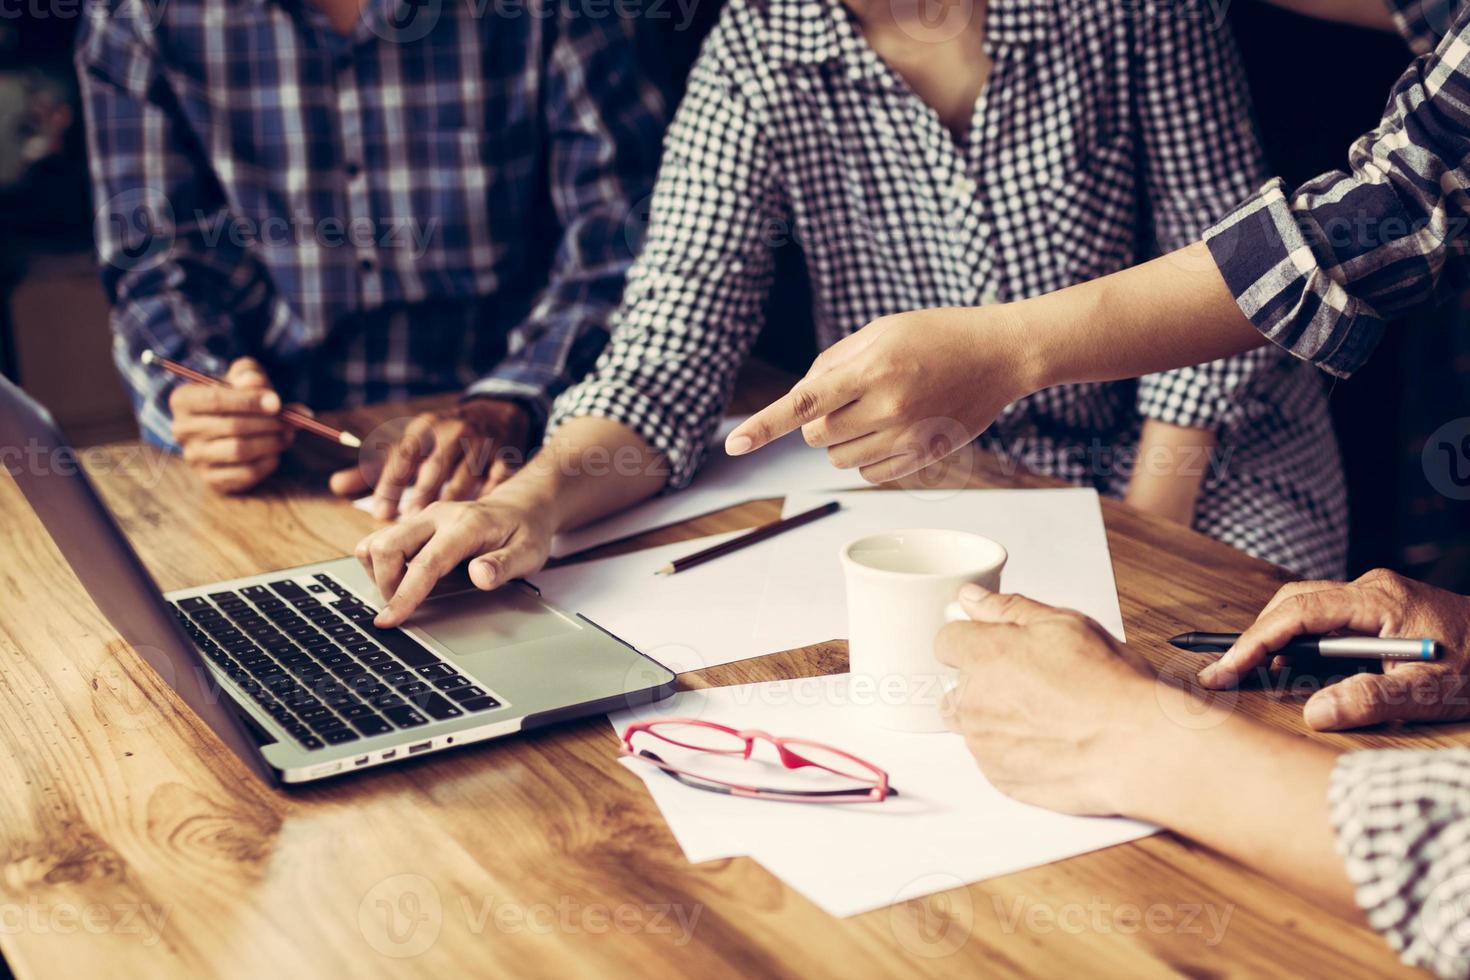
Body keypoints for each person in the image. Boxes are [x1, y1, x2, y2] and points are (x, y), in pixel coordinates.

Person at [353, 0, 1356, 625]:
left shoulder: (1134, 12)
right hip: (956, 484)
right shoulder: (755, 48)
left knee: (1212, 677)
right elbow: (668, 343)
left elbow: (1237, 267)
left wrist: (1135, 548)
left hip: (1206, 458)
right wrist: (523, 505)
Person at [77, 0, 666, 509]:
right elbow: (151, 264)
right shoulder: (137, 16)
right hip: (278, 460)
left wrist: (507, 403)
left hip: (524, 436)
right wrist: (203, 394)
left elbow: (620, 242)